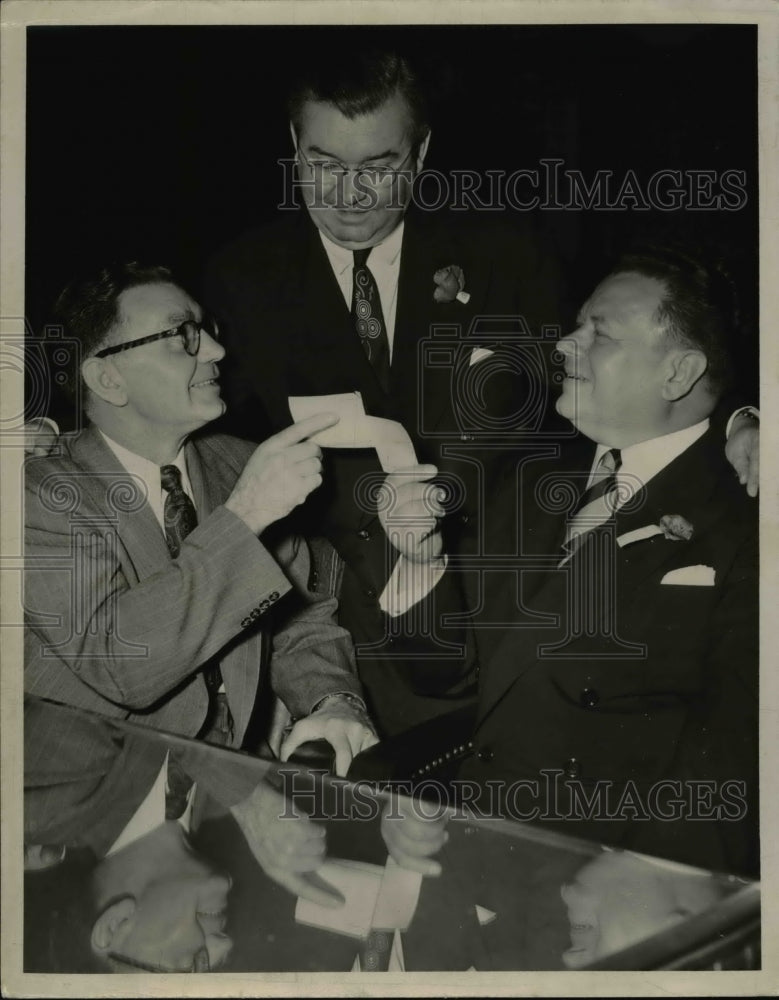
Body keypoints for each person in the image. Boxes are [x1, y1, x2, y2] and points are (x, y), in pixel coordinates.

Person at [204, 48, 564, 739]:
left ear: (421, 152)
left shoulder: (505, 254)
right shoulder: (242, 276)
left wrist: (745, 421)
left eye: (378, 166)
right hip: (345, 630)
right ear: (292, 146)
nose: (347, 196)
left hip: (502, 614)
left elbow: (584, 394)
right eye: (322, 164)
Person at [370, 244, 759, 876]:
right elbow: (445, 677)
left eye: (598, 335)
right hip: (471, 862)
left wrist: (635, 890)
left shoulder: (746, 513)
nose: (563, 346)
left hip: (612, 883)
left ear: (678, 374)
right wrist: (419, 563)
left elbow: (738, 760)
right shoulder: (531, 482)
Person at [24, 263, 378, 776]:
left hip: (228, 781)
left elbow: (299, 619)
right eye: (182, 336)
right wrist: (247, 515)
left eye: (207, 330)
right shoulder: (38, 494)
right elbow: (121, 664)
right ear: (107, 377)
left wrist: (332, 700)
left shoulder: (236, 463)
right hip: (90, 800)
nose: (216, 351)